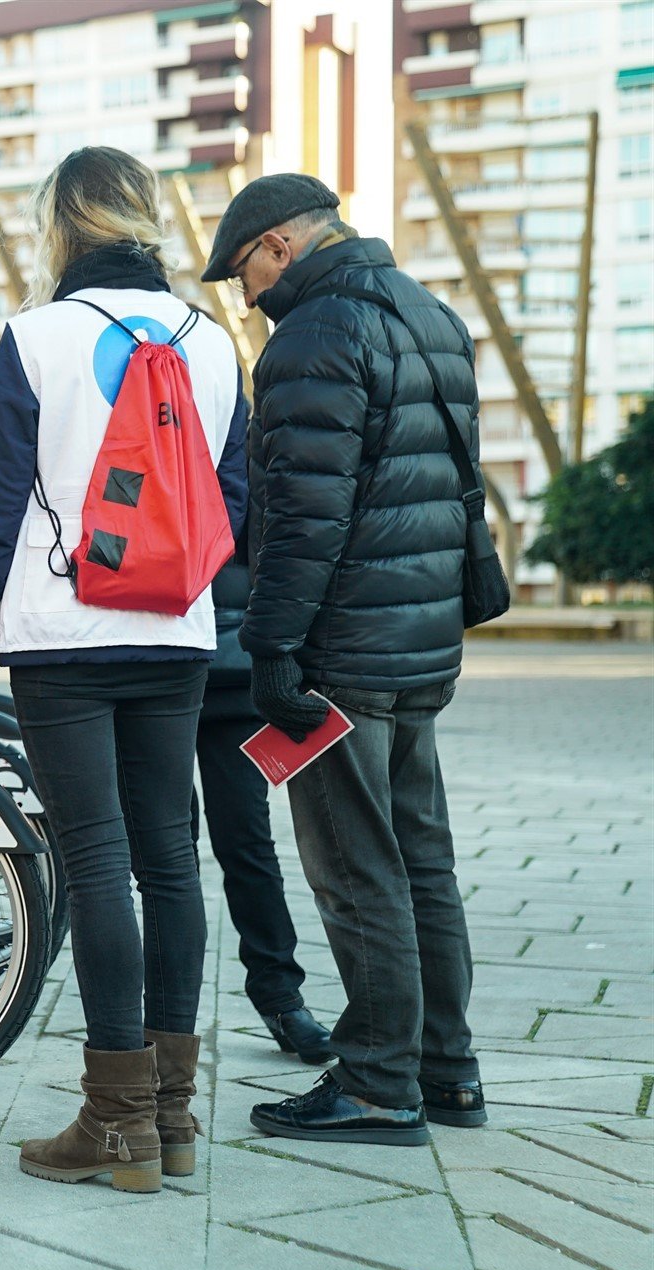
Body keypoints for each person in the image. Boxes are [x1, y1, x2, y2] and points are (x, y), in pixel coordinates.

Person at [0, 147, 248, 1194]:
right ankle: (173, 1119)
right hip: (177, 630)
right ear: (147, 219)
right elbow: (234, 503)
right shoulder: (215, 343)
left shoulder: (35, 339)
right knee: (170, 858)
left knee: (96, 861)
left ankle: (112, 1120)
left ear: (62, 225)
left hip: (60, 632)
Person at [202, 174, 485, 1145]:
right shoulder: (432, 317)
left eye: (244, 271)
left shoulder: (312, 342)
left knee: (358, 868)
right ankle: (446, 1072)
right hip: (419, 644)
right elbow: (463, 489)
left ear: (280, 244)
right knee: (423, 861)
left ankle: (376, 1083)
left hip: (345, 654)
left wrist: (272, 648)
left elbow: (302, 524)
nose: (246, 299)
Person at [194, 542, 334, 1065]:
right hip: (154, 668)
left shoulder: (260, 459)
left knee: (247, 842)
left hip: (239, 671)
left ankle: (279, 996)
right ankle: (166, 1005)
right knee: (164, 853)